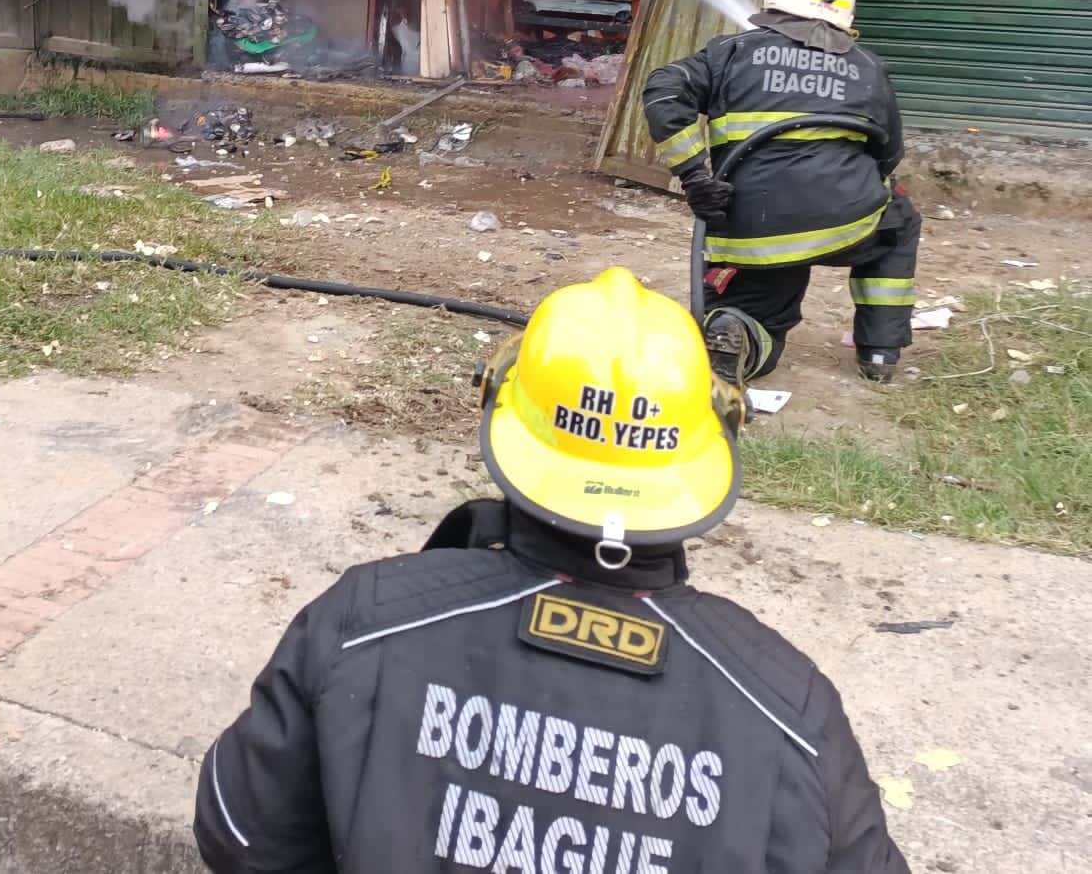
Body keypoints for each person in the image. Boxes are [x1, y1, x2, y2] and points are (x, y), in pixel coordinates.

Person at [194, 268, 908, 874]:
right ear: (713, 439)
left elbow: (240, 833)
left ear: (499, 405)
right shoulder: (787, 711)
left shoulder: (366, 624)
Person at [642, 0, 919, 385]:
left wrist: (695, 174)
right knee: (899, 221)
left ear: (774, 0)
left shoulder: (730, 52)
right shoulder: (869, 69)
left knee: (756, 313)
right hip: (846, 225)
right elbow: (889, 155)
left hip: (751, 229)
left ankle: (740, 331)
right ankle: (880, 353)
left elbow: (662, 91)